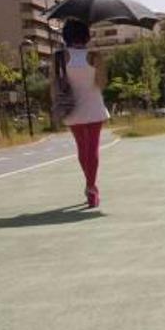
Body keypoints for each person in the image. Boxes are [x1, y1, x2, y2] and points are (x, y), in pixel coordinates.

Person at [56, 20, 110, 208]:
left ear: (66, 36)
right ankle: (91, 188)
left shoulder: (60, 57)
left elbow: (53, 84)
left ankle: (89, 185)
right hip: (94, 106)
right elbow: (102, 83)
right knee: (93, 148)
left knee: (82, 148)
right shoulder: (94, 56)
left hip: (72, 108)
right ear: (86, 36)